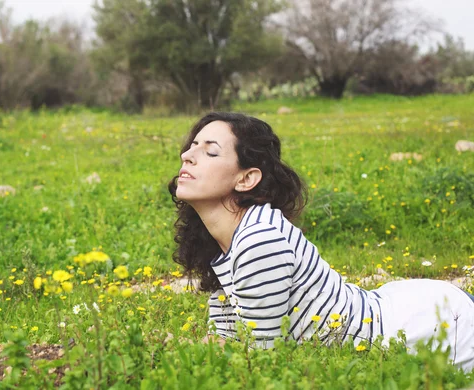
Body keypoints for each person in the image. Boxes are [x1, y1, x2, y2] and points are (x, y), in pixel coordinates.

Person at [167, 112, 474, 372]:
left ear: (246, 179)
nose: (187, 156)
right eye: (192, 146)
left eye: (210, 151)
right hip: (390, 312)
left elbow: (259, 358)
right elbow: (229, 339)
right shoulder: (223, 243)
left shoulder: (258, 239)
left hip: (430, 330)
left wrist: (188, 351)